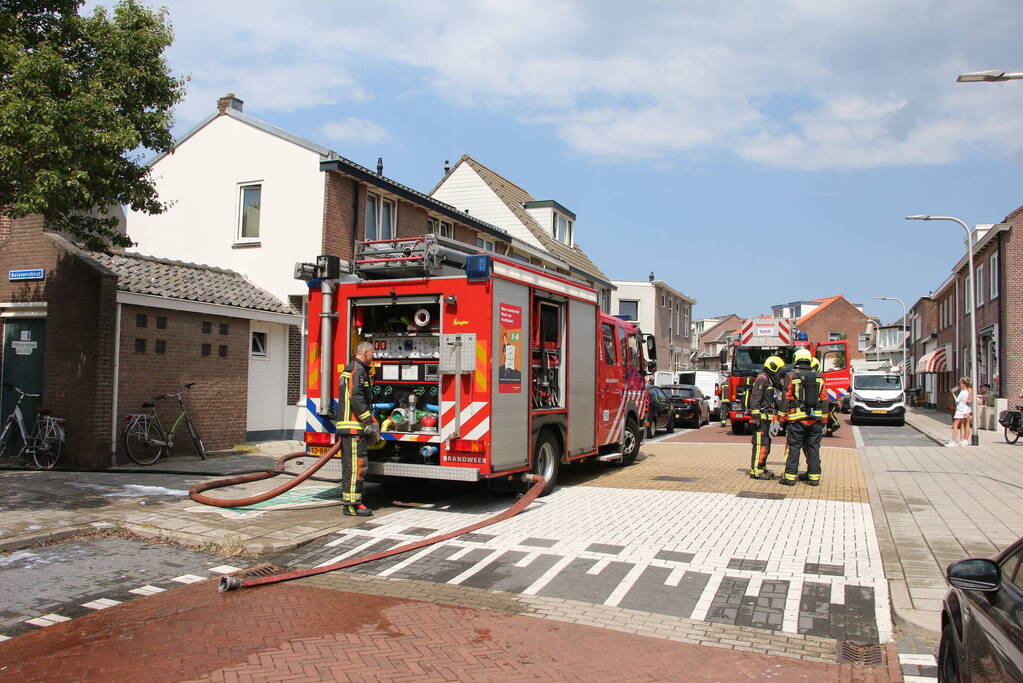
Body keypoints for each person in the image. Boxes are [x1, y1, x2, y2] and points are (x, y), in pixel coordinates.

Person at [337, 341, 381, 516]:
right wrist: (369, 421)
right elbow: (356, 397)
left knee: (352, 466)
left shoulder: (354, 368)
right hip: (353, 427)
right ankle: (352, 505)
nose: (374, 356)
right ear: (365, 352)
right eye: (372, 353)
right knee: (356, 467)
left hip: (352, 427)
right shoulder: (357, 370)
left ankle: (352, 503)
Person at [779, 348, 827, 486]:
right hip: (815, 419)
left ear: (796, 359)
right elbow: (824, 399)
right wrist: (824, 421)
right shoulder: (819, 376)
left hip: (797, 419)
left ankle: (789, 478)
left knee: (794, 447)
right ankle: (814, 478)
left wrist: (781, 419)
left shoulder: (791, 375)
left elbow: (786, 399)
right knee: (813, 448)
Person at [746, 355, 786, 480]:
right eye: (779, 370)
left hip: (768, 418)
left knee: (766, 446)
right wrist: (756, 416)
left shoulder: (770, 380)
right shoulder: (762, 379)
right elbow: (755, 398)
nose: (780, 373)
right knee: (760, 445)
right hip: (761, 419)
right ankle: (756, 470)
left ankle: (762, 467)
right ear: (773, 368)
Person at [948, 377, 973, 447]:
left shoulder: (962, 392)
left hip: (960, 410)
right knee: (966, 424)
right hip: (967, 410)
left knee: (955, 424)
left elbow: (956, 402)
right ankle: (964, 440)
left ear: (964, 384)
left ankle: (953, 441)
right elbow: (970, 400)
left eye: (960, 383)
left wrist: (953, 394)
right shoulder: (969, 390)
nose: (959, 385)